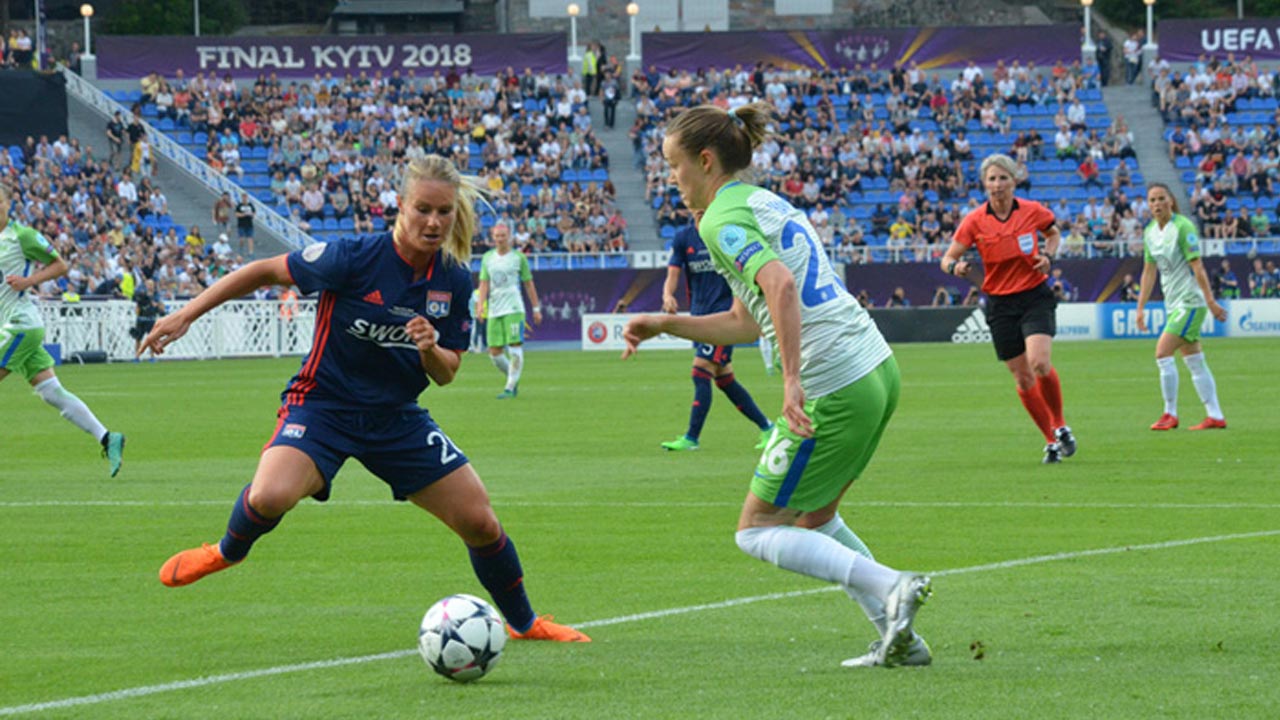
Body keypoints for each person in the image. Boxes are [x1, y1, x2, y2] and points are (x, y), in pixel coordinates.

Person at [139, 155, 589, 643]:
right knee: (269, 495)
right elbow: (264, 271)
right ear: (401, 205)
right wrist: (186, 315)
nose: (434, 222)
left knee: (480, 521)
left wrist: (429, 348)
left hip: (397, 419)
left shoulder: (454, 281)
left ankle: (524, 624)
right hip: (323, 407)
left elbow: (448, 373)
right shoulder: (352, 257)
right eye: (423, 209)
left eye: (444, 212)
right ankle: (227, 550)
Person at [622, 102, 932, 669]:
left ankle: (892, 586)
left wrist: (791, 384)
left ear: (706, 160)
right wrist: (664, 322)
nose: (671, 179)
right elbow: (747, 319)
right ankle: (900, 639)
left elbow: (781, 286)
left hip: (833, 382)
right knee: (814, 518)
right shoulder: (759, 201)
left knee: (757, 529)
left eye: (673, 166)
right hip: (875, 369)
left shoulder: (717, 219)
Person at [940, 153, 1077, 464]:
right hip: (999, 303)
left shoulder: (1031, 211)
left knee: (1039, 363)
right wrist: (956, 267)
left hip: (1033, 296)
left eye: (1003, 178)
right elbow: (946, 258)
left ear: (1015, 181)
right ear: (984, 184)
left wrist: (1048, 256)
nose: (997, 184)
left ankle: (1060, 424)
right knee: (1022, 378)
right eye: (992, 179)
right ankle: (1050, 440)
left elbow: (1053, 233)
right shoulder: (974, 220)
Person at [0, 184, 126, 475]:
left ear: (9, 204)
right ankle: (108, 437)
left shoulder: (23, 236)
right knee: (51, 392)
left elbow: (60, 266)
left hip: (21, 325)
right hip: (10, 324)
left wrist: (28, 282)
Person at [658, 222, 773, 452]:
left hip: (724, 317)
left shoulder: (724, 235)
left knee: (700, 371)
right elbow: (673, 272)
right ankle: (767, 428)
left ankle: (692, 437)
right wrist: (667, 295)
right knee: (724, 379)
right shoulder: (683, 237)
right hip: (699, 315)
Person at [1136, 184, 1228, 431]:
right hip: (1173, 303)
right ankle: (1215, 415)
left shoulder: (1183, 227)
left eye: (1161, 199)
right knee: (1195, 360)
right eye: (1152, 200)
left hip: (1189, 302)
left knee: (1162, 353)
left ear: (1171, 201)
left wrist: (1210, 302)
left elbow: (1197, 267)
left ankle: (1170, 413)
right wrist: (1140, 307)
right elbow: (1149, 271)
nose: (1156, 204)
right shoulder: (1150, 233)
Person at [475, 223, 541, 399]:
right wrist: (480, 305)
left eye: (503, 236)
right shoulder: (487, 258)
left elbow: (528, 283)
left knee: (514, 346)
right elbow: (484, 283)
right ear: (492, 237)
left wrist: (536, 308)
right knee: (494, 353)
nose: (500, 239)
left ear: (509, 236)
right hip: (495, 309)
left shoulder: (519, 258)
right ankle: (513, 377)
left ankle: (510, 387)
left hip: (514, 308)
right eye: (497, 236)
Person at [234, 192, 256, 256]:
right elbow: (237, 214)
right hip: (241, 224)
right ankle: (241, 248)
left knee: (250, 238)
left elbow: (254, 213)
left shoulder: (250, 205)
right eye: (243, 197)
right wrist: (244, 214)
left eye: (245, 197)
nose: (244, 198)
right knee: (242, 239)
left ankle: (251, 252)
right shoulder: (239, 205)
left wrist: (250, 214)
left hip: (249, 224)